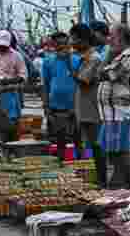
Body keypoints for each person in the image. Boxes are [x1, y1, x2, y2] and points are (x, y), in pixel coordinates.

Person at [97, 23, 130, 191]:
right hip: (113, 113)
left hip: (121, 113)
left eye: (112, 36)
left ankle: (127, 185)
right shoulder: (121, 57)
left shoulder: (128, 59)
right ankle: (126, 184)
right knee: (118, 150)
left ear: (121, 38)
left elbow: (102, 73)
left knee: (123, 151)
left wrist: (108, 55)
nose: (109, 39)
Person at [69, 24, 106, 187]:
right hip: (83, 108)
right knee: (86, 144)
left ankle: (102, 179)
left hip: (92, 110)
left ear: (84, 40)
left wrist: (68, 63)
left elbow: (83, 80)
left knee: (96, 146)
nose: (72, 42)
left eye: (75, 39)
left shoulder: (94, 58)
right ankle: (93, 178)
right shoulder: (83, 57)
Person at [42, 32, 80, 163]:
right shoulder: (48, 61)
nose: (62, 46)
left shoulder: (77, 60)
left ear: (69, 44)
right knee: (59, 141)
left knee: (78, 140)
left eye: (65, 43)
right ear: (53, 45)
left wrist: (68, 60)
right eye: (58, 44)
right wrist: (46, 107)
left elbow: (81, 84)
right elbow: (45, 85)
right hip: (56, 108)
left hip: (75, 107)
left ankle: (81, 165)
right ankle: (61, 167)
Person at [0, 29, 28, 140]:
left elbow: (23, 76)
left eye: (5, 46)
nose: (3, 48)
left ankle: (9, 147)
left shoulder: (16, 56)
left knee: (10, 124)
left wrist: (10, 82)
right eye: (0, 45)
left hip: (9, 94)